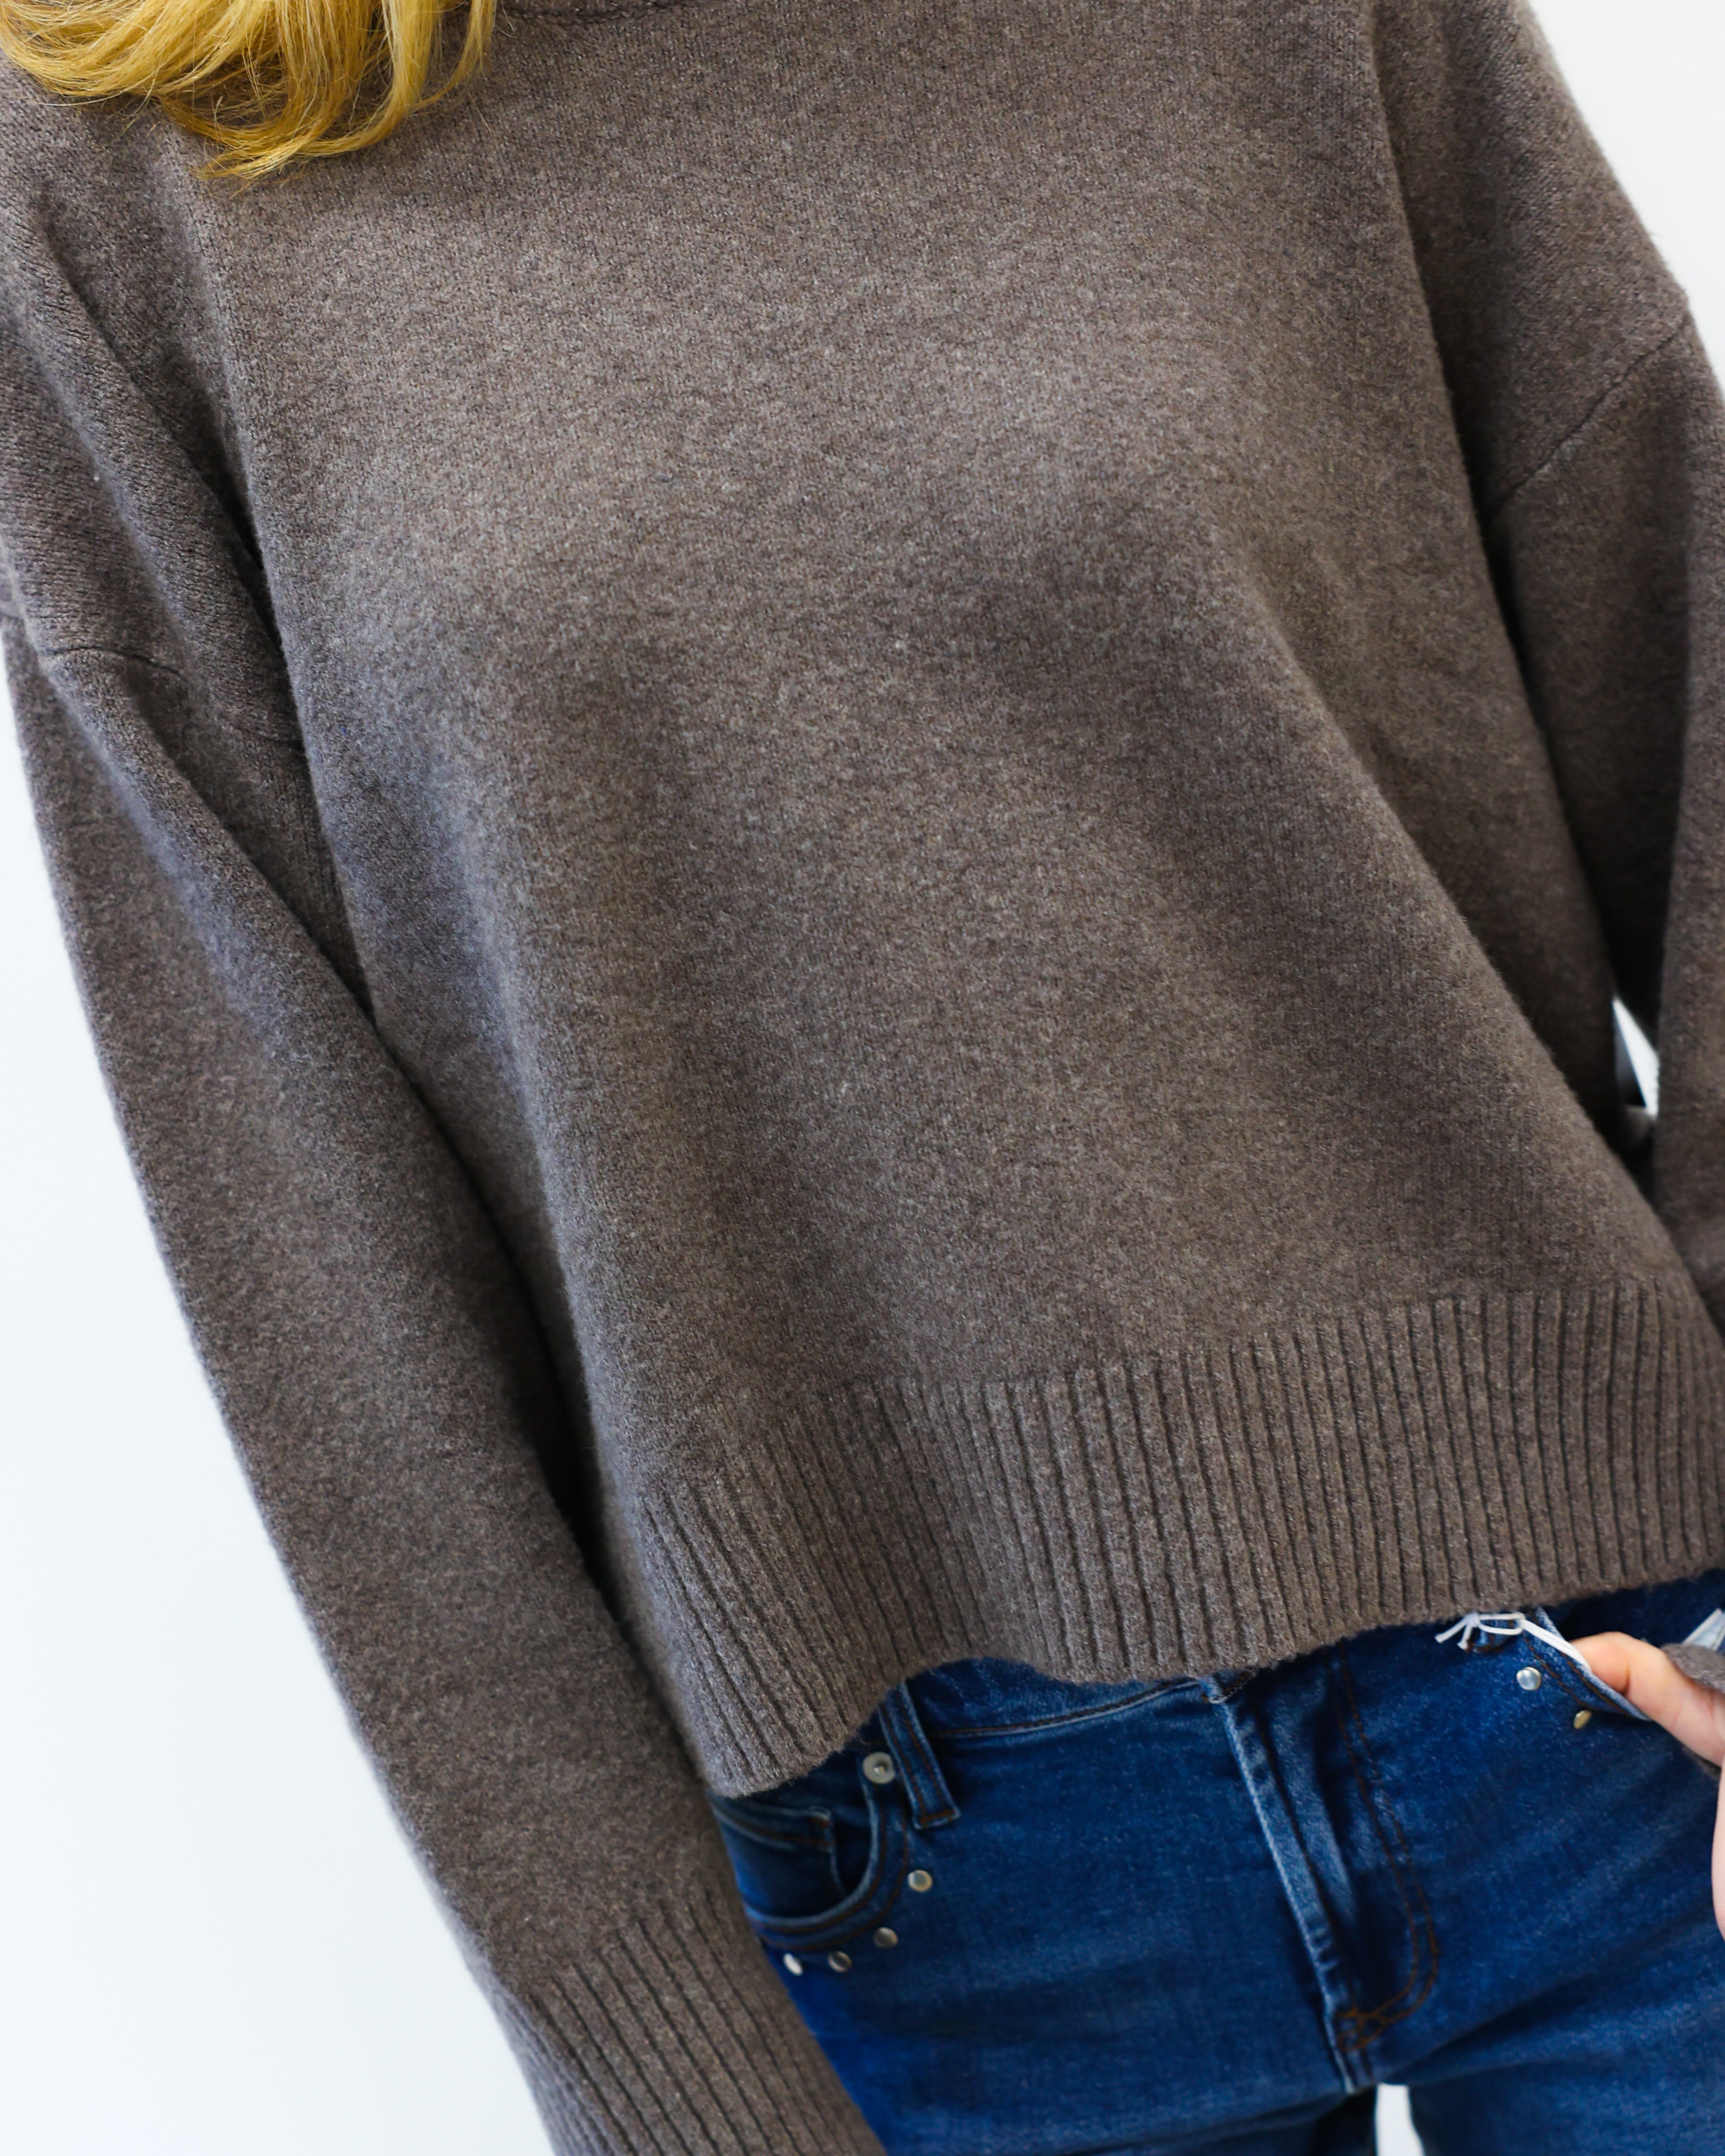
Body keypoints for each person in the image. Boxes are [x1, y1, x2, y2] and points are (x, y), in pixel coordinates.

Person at [1, 0, 1723, 2148]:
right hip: (921, 1911)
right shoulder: (130, 156)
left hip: (1636, 1727)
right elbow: (308, 1261)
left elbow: (1695, 659)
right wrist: (663, 2075)